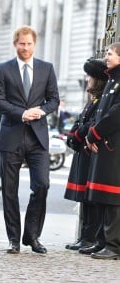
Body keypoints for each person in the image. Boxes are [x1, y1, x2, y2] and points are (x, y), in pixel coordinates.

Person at [0, 25, 59, 254]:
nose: (26, 48)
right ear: (15, 44)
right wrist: (21, 113)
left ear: (34, 44)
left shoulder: (46, 69)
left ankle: (32, 235)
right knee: (9, 190)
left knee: (42, 185)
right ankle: (13, 239)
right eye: (22, 44)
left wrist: (40, 110)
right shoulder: (2, 69)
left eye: (29, 44)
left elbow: (54, 100)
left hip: (37, 137)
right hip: (11, 135)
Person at [64, 58, 108, 252]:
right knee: (84, 199)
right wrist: (75, 134)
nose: (87, 79)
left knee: (92, 200)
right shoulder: (93, 100)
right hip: (83, 153)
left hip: (91, 155)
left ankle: (90, 238)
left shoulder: (102, 101)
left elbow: (92, 125)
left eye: (90, 76)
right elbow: (80, 123)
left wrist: (80, 132)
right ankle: (85, 236)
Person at [84, 42, 120, 260]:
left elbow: (116, 114)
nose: (106, 56)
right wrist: (92, 135)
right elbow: (101, 111)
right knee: (103, 197)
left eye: (109, 53)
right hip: (104, 144)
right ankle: (102, 241)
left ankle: (113, 246)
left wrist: (94, 133)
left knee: (113, 198)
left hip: (114, 145)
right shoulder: (112, 79)